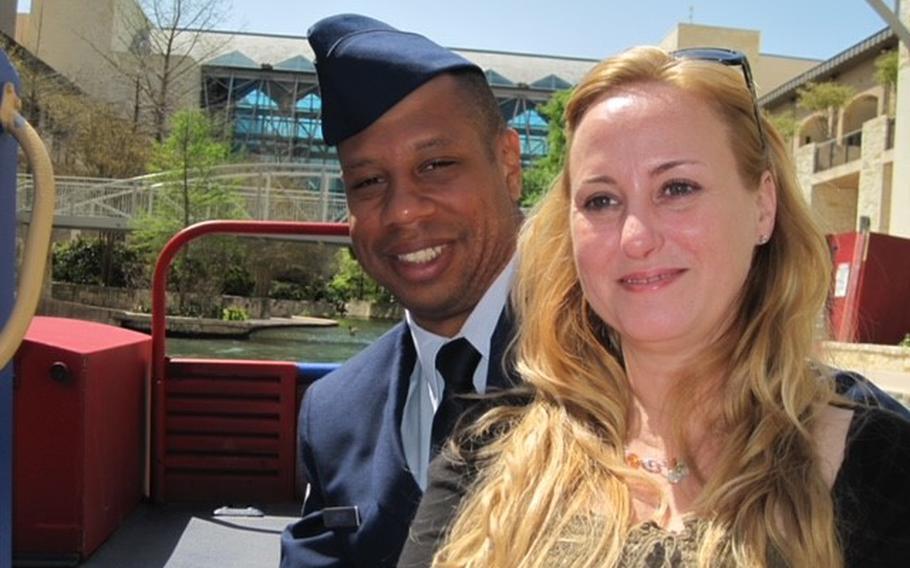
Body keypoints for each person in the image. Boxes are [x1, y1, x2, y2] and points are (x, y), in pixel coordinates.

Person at [399, 46, 910, 567]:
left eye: (677, 188)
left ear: (763, 206)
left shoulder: (880, 466)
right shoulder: (484, 460)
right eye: (601, 200)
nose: (636, 237)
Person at [279, 14, 523, 567]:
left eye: (436, 165)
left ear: (508, 164)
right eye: (368, 182)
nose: (403, 211)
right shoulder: (335, 412)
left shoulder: (617, 357)